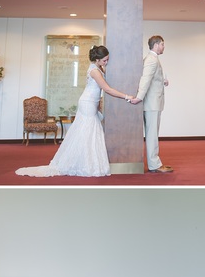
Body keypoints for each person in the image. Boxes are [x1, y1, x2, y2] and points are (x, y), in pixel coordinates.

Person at [15, 46, 140, 178]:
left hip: (91, 103)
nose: (106, 62)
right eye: (105, 60)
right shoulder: (95, 71)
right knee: (87, 132)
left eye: (107, 60)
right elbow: (107, 89)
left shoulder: (99, 68)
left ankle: (86, 162)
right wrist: (126, 96)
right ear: (97, 60)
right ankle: (81, 163)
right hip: (87, 103)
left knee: (89, 132)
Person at [135, 35, 172, 173]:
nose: (163, 47)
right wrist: (139, 97)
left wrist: (162, 81)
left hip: (152, 103)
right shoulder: (152, 60)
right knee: (152, 135)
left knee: (152, 134)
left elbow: (152, 78)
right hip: (152, 104)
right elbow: (145, 79)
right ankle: (154, 164)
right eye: (162, 44)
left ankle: (154, 163)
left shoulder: (151, 59)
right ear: (156, 45)